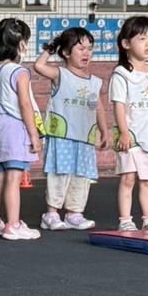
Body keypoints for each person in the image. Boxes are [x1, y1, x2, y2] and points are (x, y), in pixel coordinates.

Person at [34, 28, 109, 231]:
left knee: (81, 176)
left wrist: (104, 130)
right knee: (60, 173)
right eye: (81, 48)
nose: (86, 53)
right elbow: (38, 66)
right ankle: (51, 214)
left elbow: (98, 106)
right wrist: (51, 48)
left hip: (85, 137)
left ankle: (74, 213)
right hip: (62, 136)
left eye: (90, 49)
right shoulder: (60, 74)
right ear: (66, 52)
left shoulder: (94, 82)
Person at [0, 17, 43, 241]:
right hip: (15, 129)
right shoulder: (19, 72)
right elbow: (25, 104)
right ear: (20, 44)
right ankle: (13, 224)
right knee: (13, 179)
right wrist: (34, 135)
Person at [110, 16, 148, 232]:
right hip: (131, 136)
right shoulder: (121, 74)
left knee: (147, 180)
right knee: (128, 178)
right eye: (142, 38)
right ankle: (125, 220)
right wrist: (124, 132)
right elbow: (118, 105)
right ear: (126, 43)